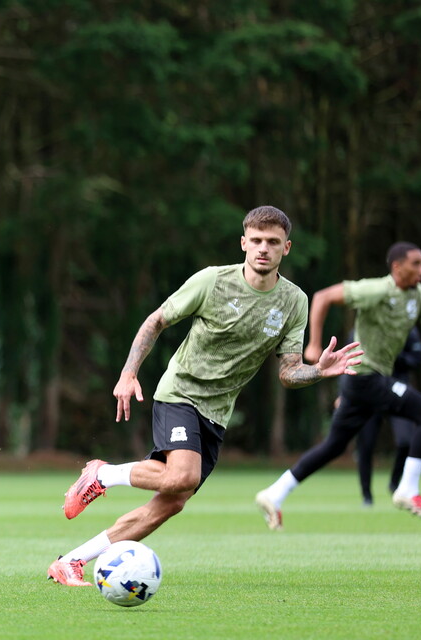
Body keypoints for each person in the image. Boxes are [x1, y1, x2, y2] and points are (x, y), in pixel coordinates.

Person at [47, 206, 362, 587]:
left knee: (172, 501)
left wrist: (319, 371)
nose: (264, 248)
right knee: (182, 476)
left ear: (287, 248)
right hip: (180, 391)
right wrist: (129, 373)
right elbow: (157, 320)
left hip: (217, 413)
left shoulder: (294, 301)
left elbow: (287, 371)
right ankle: (103, 474)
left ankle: (72, 562)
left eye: (273, 242)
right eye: (257, 240)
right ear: (244, 243)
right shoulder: (213, 281)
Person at [256, 242, 421, 526]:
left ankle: (275, 493)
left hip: (363, 383)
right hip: (365, 377)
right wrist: (313, 345)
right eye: (416, 264)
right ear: (398, 267)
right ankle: (407, 489)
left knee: (334, 446)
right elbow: (323, 297)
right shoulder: (375, 290)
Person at [353, 326, 421, 506]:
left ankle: (395, 483)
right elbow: (347, 362)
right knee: (365, 445)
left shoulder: (407, 328)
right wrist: (343, 393)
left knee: (406, 441)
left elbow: (416, 360)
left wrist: (394, 356)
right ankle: (367, 496)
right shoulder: (363, 326)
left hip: (398, 391)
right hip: (371, 392)